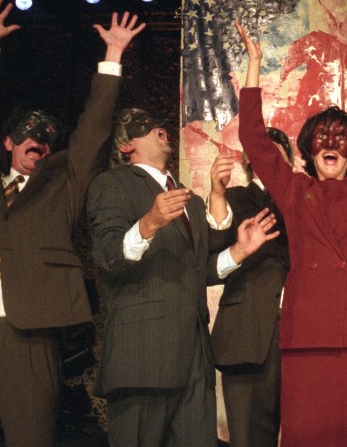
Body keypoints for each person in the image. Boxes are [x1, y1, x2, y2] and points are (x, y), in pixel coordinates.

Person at [0, 0, 144, 447]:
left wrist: (113, 56)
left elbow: (93, 131)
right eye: (28, 132)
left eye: (47, 136)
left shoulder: (63, 185)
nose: (38, 139)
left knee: (32, 437)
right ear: (8, 142)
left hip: (30, 332)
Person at [234, 7, 347, 447]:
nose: (330, 144)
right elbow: (254, 140)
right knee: (307, 434)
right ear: (308, 150)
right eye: (321, 138)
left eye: (340, 137)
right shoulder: (293, 189)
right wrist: (254, 65)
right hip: (307, 332)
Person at [86, 108, 280, 447]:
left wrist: (238, 252)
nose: (160, 128)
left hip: (194, 363)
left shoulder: (189, 200)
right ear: (127, 146)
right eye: (147, 126)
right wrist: (148, 224)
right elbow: (107, 255)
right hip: (142, 357)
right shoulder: (112, 184)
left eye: (161, 124)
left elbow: (198, 270)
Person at [209, 127, 292, 447]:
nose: (269, 153)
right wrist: (217, 197)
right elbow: (211, 255)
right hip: (246, 335)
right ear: (248, 160)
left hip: (302, 338)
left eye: (277, 149)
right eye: (262, 148)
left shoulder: (305, 199)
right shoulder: (232, 199)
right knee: (247, 439)